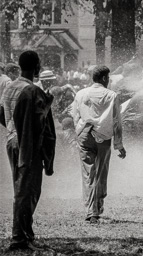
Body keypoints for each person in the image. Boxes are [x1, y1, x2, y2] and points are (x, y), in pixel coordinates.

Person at [0, 51, 56, 251]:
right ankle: (20, 238)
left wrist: (11, 128)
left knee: (21, 190)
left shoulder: (9, 88)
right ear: (37, 67)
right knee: (28, 192)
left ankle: (25, 234)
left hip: (11, 141)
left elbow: (2, 114)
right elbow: (42, 125)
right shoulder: (32, 90)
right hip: (28, 146)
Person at [72, 65, 126, 224]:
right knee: (101, 172)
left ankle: (91, 210)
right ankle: (96, 208)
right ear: (104, 78)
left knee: (88, 173)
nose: (109, 81)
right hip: (103, 136)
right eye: (108, 78)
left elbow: (75, 115)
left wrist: (79, 131)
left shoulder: (80, 93)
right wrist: (119, 145)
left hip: (84, 134)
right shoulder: (112, 95)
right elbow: (116, 122)